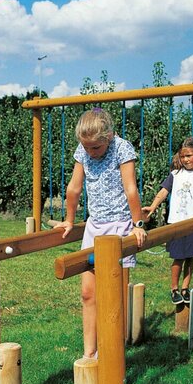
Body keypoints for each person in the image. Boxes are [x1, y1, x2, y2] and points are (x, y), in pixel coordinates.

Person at [54, 108, 147, 359]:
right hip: (95, 226)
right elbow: (74, 188)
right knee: (87, 293)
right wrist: (69, 220)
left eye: (95, 148)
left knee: (115, 296)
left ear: (110, 136)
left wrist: (137, 224)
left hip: (120, 226)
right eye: (86, 147)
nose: (90, 153)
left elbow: (130, 189)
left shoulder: (122, 148)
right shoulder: (83, 152)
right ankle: (89, 352)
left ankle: (113, 352)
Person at [142, 137, 193, 306]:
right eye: (182, 156)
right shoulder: (175, 175)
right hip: (176, 223)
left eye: (189, 156)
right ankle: (174, 288)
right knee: (178, 258)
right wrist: (152, 207)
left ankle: (185, 288)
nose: (185, 160)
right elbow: (163, 192)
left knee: (190, 257)